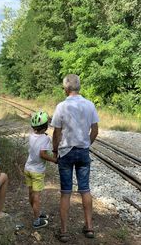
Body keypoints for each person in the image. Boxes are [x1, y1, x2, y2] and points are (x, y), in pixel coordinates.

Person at [51, 74, 99, 242]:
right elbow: (95, 130)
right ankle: (89, 227)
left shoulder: (61, 106)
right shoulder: (90, 105)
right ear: (78, 87)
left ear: (66, 88)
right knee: (85, 189)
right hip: (83, 152)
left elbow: (56, 132)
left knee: (66, 192)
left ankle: (63, 231)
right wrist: (86, 144)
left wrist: (55, 151)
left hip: (66, 153)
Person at [24, 111, 57, 229]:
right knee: (36, 195)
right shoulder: (46, 139)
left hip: (27, 168)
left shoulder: (31, 135)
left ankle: (37, 213)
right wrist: (55, 160)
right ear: (46, 126)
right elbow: (42, 154)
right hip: (37, 171)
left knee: (31, 193)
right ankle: (37, 220)